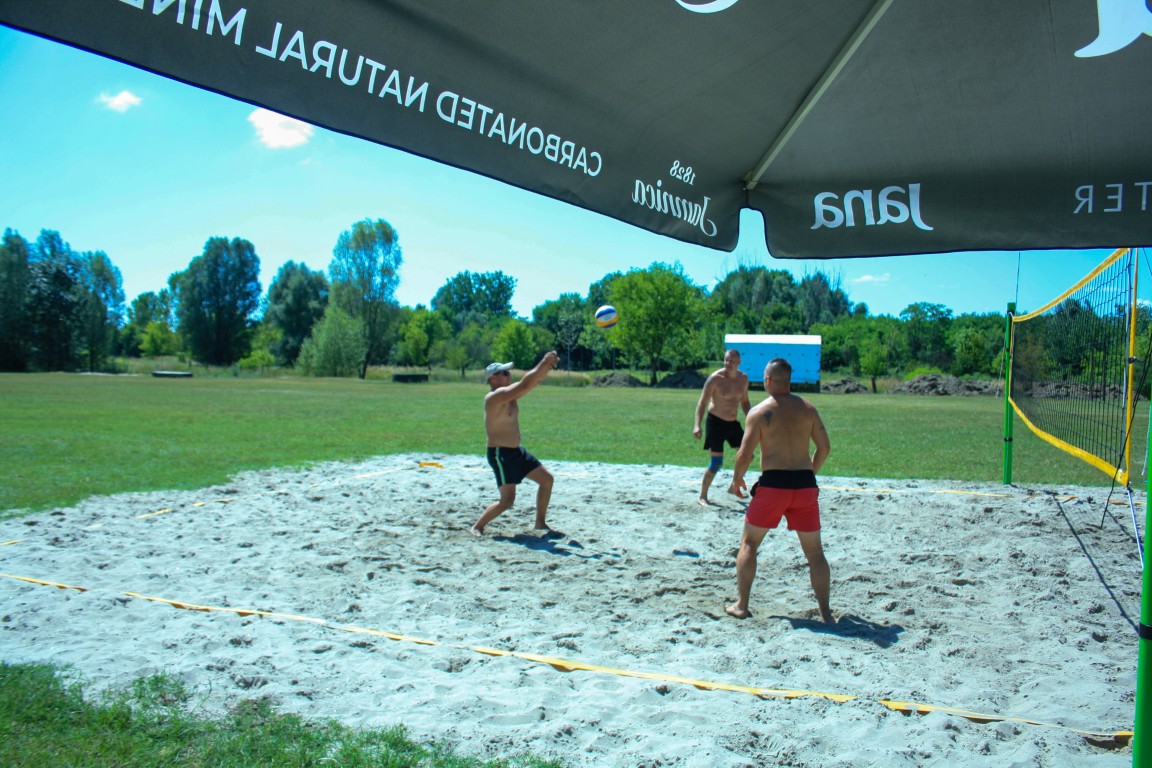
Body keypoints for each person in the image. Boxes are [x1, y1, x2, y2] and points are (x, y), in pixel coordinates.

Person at [725, 357, 833, 623]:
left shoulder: (760, 412)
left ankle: (742, 605)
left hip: (774, 485)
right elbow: (824, 448)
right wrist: (809, 474)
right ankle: (826, 613)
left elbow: (745, 454)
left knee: (749, 544)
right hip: (804, 486)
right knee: (815, 554)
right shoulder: (808, 408)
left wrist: (737, 479)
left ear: (769, 380)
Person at [471, 351, 560, 537]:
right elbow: (525, 384)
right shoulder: (494, 397)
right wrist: (544, 362)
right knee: (507, 501)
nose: (508, 375)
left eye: (508, 372)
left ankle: (540, 523)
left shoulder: (509, 396)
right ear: (492, 378)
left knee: (547, 480)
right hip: (500, 454)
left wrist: (548, 366)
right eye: (504, 373)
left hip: (516, 452)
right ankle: (477, 526)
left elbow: (531, 384)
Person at [693, 348, 751, 506]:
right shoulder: (715, 379)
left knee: (748, 455)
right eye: (726, 360)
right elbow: (702, 403)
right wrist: (697, 425)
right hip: (716, 423)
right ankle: (702, 496)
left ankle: (734, 485)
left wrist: (752, 418)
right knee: (716, 462)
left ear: (739, 362)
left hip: (732, 423)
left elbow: (745, 402)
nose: (728, 363)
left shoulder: (743, 379)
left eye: (732, 361)